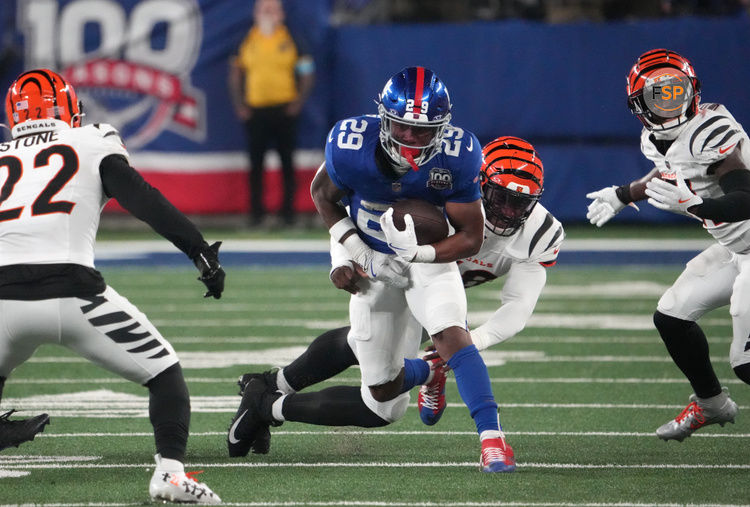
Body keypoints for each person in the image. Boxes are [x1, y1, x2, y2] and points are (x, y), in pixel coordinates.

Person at [228, 66, 520, 473]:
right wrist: (352, 256)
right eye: (403, 128)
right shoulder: (351, 143)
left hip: (427, 258)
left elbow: (470, 235)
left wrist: (420, 255)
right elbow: (322, 195)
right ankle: (269, 405)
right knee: (383, 399)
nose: (413, 140)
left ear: (443, 126)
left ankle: (492, 441)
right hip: (371, 259)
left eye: (424, 130)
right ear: (384, 119)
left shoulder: (458, 153)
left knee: (453, 335)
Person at [228, 135, 563, 447]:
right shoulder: (444, 186)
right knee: (380, 391)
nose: (507, 212)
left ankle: (269, 392)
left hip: (436, 289)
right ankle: (269, 397)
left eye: (520, 203)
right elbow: (361, 212)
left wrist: (472, 344)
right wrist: (344, 258)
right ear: (479, 182)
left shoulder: (540, 233)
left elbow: (519, 305)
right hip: (396, 270)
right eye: (501, 197)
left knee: (375, 364)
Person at [0, 69, 224, 503]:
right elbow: (141, 197)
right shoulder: (91, 139)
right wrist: (198, 249)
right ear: (68, 110)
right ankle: (170, 474)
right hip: (73, 293)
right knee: (165, 375)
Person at [585, 48, 750, 441]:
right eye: (661, 95)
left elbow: (745, 195)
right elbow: (669, 169)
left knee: (745, 362)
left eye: (678, 92)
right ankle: (711, 404)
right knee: (672, 316)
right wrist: (624, 194)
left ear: (692, 91)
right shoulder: (655, 137)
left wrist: (696, 204)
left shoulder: (711, 131)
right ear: (639, 104)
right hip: (737, 247)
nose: (672, 102)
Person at [229, 0, 316, 227]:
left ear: (281, 14)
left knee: (287, 164)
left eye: (272, 9)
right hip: (256, 111)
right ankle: (256, 215)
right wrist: (240, 105)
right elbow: (235, 73)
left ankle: (288, 215)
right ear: (256, 13)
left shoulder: (292, 39)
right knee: (255, 165)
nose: (268, 13)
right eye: (264, 9)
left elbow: (307, 71)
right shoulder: (247, 39)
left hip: (283, 110)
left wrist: (297, 103)